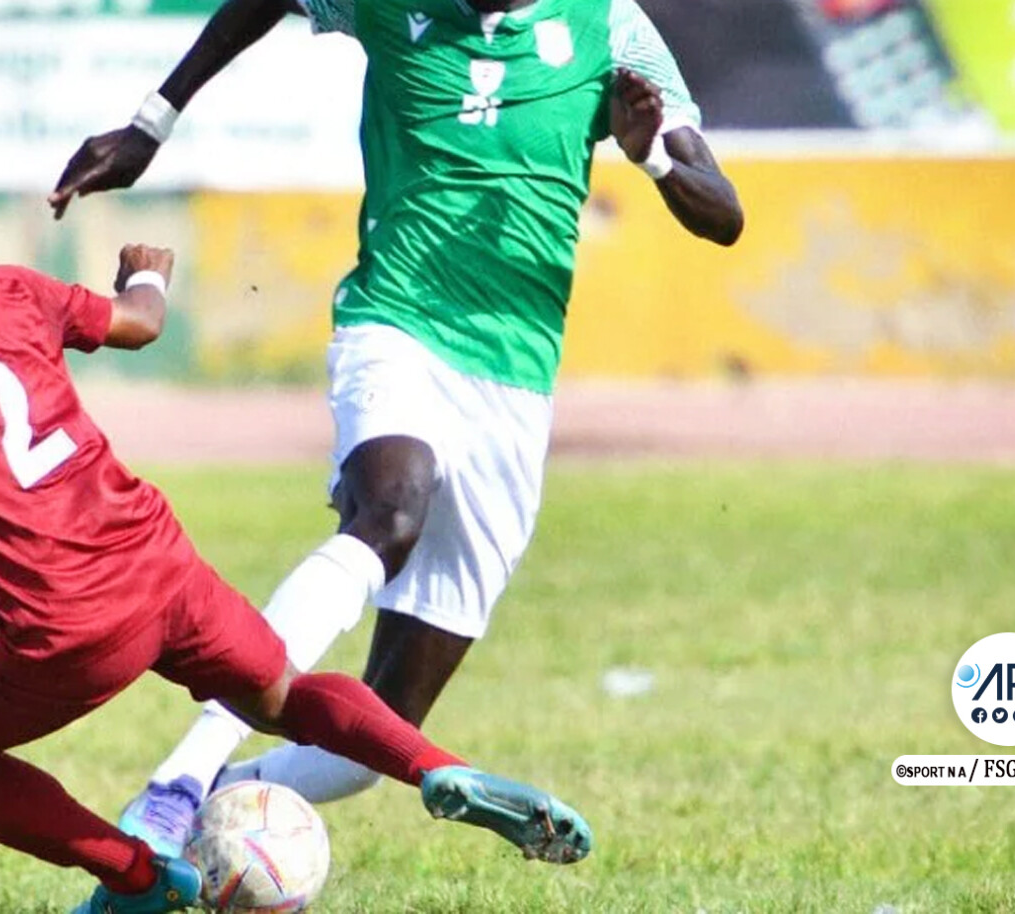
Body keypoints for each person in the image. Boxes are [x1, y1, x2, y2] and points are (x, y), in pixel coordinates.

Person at [0, 129, 594, 914]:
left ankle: (138, 877)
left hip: (66, 626)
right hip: (159, 559)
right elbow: (136, 324)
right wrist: (149, 273)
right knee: (281, 693)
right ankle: (433, 766)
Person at [49, 0, 744, 854]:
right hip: (394, 321)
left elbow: (724, 215)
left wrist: (653, 162)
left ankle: (203, 818)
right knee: (390, 512)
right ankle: (182, 774)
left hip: (515, 381)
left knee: (367, 747)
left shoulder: (612, 28)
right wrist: (153, 123)